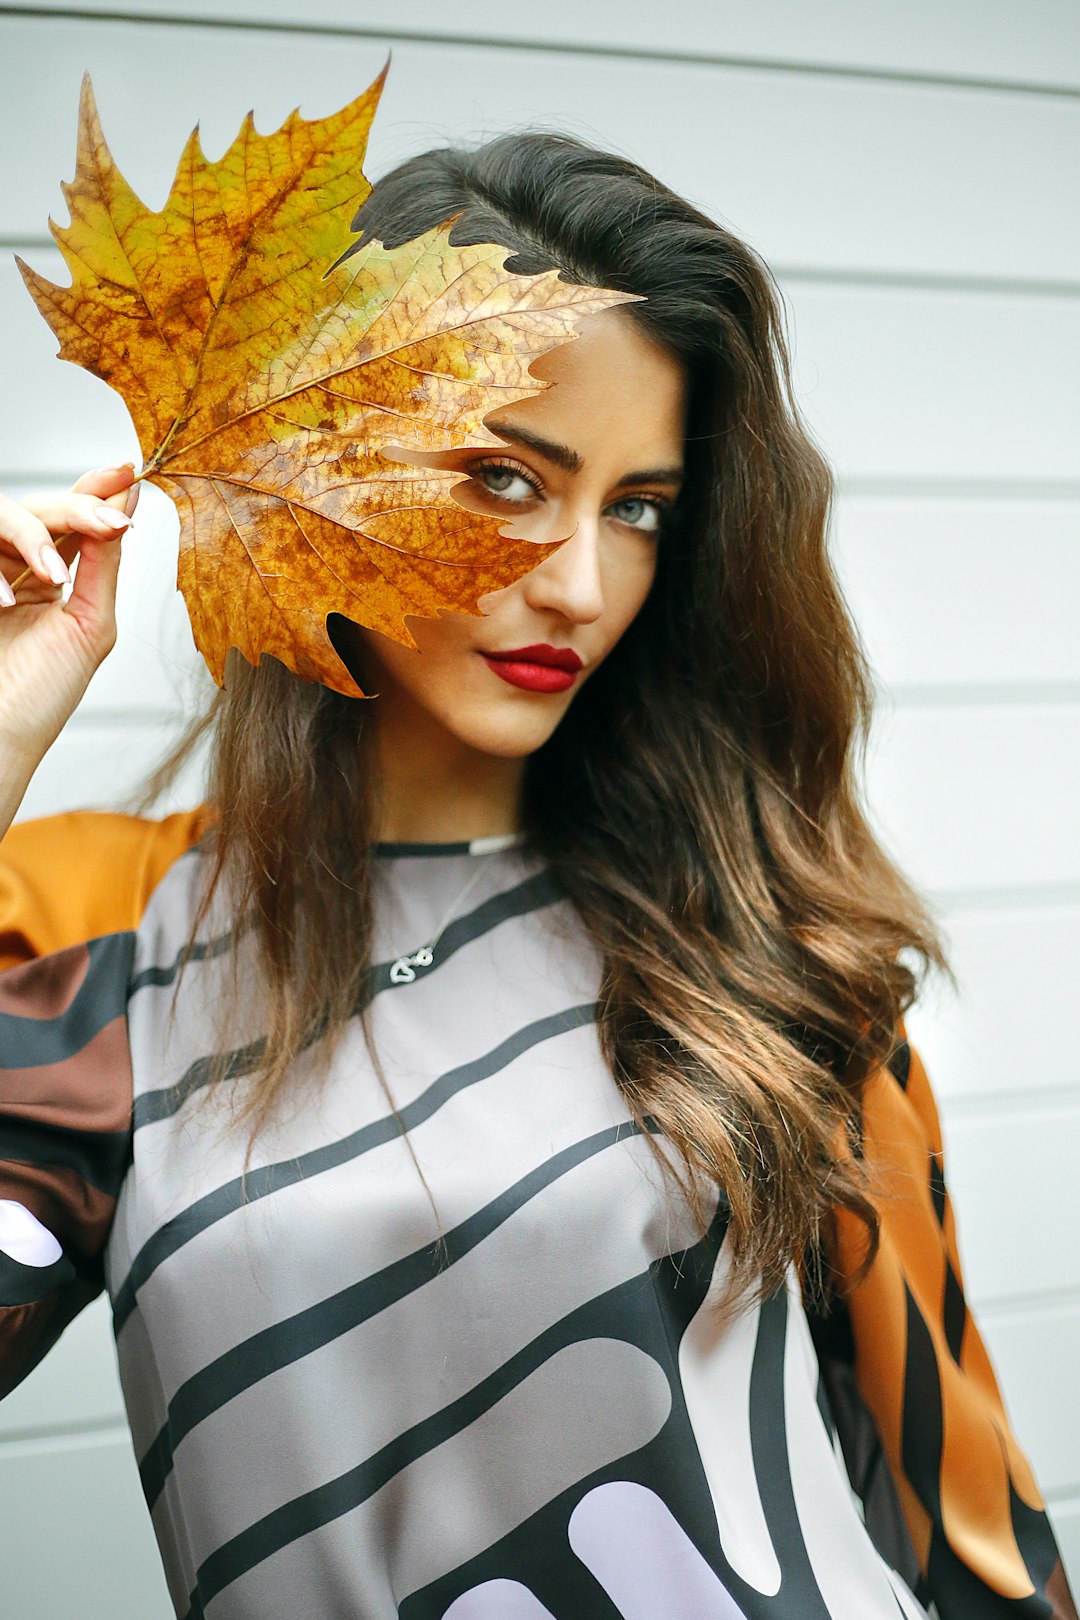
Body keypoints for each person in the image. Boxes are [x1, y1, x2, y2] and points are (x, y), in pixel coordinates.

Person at [0, 132, 1074, 1620]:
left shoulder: (753, 931)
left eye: (638, 507)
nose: (579, 583)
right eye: (507, 479)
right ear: (328, 479)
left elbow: (959, 1515)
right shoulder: (102, 934)